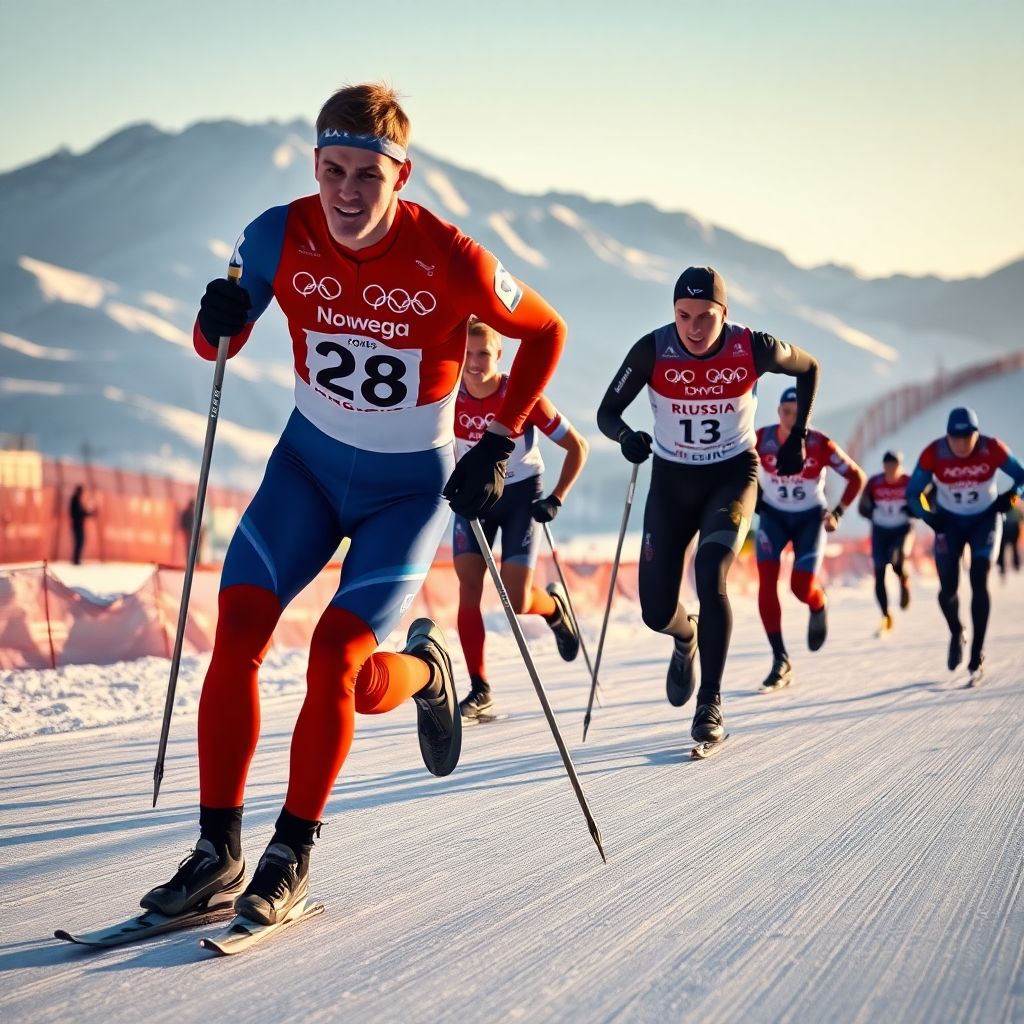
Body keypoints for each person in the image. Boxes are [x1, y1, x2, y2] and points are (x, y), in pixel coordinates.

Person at [140, 84, 567, 928]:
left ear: (400, 176)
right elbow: (218, 340)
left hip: (405, 491)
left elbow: (546, 333)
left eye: (366, 176)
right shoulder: (275, 233)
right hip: (305, 467)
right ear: (313, 166)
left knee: (342, 664)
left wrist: (497, 442)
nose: (345, 192)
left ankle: (299, 840)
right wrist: (213, 318)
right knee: (238, 631)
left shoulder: (453, 257)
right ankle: (217, 849)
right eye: (331, 170)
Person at [596, 265, 819, 746]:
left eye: (705, 317)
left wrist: (798, 436)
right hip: (672, 483)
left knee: (710, 571)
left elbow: (809, 367)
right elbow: (606, 412)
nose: (693, 329)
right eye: (683, 316)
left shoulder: (753, 347)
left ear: (725, 314)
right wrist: (626, 438)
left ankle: (710, 704)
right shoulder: (653, 349)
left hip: (732, 477)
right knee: (655, 611)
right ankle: (685, 635)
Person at [453, 318, 589, 721]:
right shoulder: (447, 395)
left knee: (515, 598)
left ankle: (552, 609)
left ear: (499, 355)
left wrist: (556, 499)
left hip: (519, 497)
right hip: (475, 501)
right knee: (468, 590)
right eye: (467, 354)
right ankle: (480, 688)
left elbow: (577, 447)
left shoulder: (522, 395)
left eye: (483, 354)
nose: (474, 364)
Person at [754, 389, 865, 687]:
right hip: (773, 518)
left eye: (798, 413)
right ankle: (780, 658)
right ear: (778, 413)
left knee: (800, 587)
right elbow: (736, 468)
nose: (791, 419)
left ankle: (818, 603)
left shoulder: (819, 443)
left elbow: (857, 477)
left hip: (809, 520)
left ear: (806, 416)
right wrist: (756, 497)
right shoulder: (760, 439)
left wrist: (838, 513)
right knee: (766, 579)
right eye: (786, 412)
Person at [906, 407, 1024, 675]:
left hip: (985, 520)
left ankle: (977, 652)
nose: (960, 444)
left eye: (967, 438)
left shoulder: (992, 448)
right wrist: (928, 516)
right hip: (949, 523)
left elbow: (1021, 476)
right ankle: (957, 631)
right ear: (947, 436)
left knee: (979, 578)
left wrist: (1013, 495)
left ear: (976, 435)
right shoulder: (933, 452)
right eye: (954, 439)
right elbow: (913, 493)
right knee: (948, 589)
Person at [858, 450, 913, 633]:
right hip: (880, 531)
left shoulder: (908, 482)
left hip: (901, 530)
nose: (891, 470)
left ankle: (903, 579)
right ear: (884, 466)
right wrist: (871, 511)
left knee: (896, 559)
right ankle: (885, 614)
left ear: (900, 466)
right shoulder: (874, 482)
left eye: (894, 466)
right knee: (879, 572)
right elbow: (862, 506)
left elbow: (924, 502)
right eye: (888, 466)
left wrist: (913, 510)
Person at [69, 484, 95, 565]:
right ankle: (76, 560)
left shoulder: (78, 500)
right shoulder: (75, 499)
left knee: (80, 542)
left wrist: (90, 513)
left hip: (79, 525)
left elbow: (82, 512)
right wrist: (87, 513)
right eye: (81, 490)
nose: (82, 492)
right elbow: (77, 512)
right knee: (79, 542)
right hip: (77, 525)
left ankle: (77, 559)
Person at [996, 495, 1021, 577]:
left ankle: (1002, 566)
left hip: (1005, 532)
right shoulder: (1015, 509)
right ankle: (1016, 565)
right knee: (1013, 548)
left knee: (1002, 549)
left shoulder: (1003, 508)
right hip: (1012, 532)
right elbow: (1020, 518)